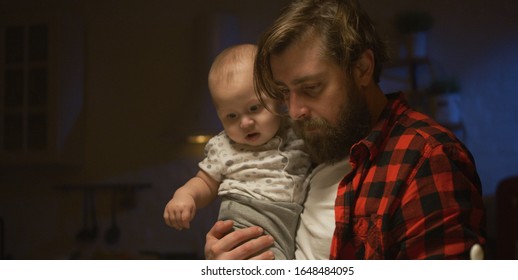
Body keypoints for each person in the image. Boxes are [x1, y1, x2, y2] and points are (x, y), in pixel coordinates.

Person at [203, 0, 486, 260]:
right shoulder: (315, 141)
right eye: (284, 93)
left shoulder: (428, 158)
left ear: (362, 68)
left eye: (311, 88)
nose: (295, 110)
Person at [163, 44, 311, 260]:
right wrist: (185, 195)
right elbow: (205, 182)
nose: (245, 123)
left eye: (254, 108)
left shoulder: (297, 131)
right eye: (231, 116)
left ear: (278, 97)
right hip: (242, 221)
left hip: (285, 224)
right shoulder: (224, 146)